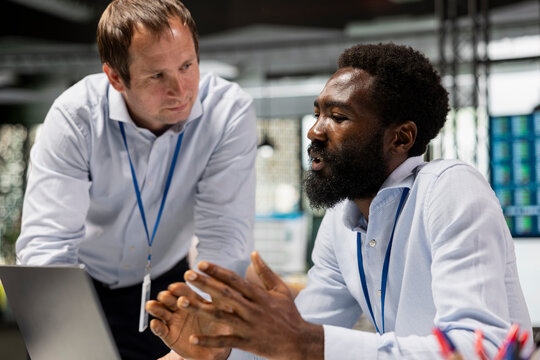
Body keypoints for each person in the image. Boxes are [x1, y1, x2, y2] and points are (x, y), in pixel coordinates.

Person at [146, 43, 533, 360]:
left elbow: (478, 350)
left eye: (338, 116)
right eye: (317, 113)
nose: (314, 130)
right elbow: (300, 332)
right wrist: (222, 350)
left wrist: (304, 341)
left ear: (401, 138)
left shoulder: (449, 188)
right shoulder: (343, 220)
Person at [15, 0, 256, 359]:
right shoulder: (75, 117)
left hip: (170, 282)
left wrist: (202, 334)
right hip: (80, 284)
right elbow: (47, 245)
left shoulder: (228, 112)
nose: (180, 89)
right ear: (115, 77)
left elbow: (224, 240)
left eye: (187, 65)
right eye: (157, 75)